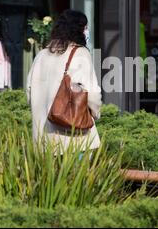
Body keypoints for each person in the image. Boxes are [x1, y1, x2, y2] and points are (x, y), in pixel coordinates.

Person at [26, 9, 102, 152]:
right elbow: (92, 94)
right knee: (78, 174)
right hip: (73, 139)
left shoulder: (41, 55)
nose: (87, 31)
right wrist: (96, 113)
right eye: (85, 27)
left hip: (42, 141)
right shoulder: (80, 53)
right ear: (78, 29)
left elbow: (29, 93)